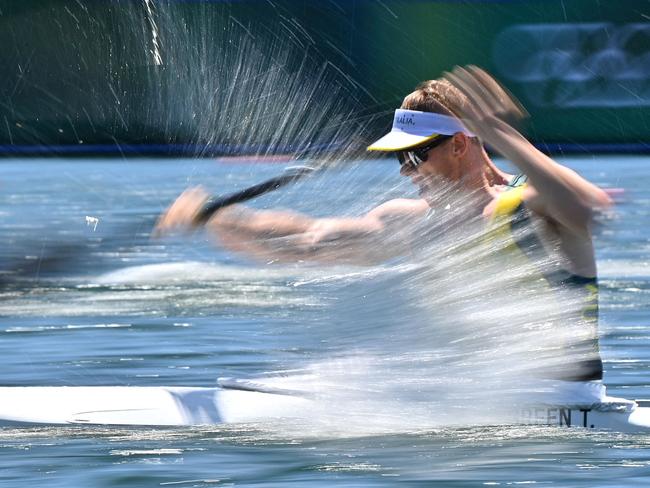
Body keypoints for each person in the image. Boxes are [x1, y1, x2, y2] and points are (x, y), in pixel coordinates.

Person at [156, 66, 617, 406]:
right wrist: (215, 218)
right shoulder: (418, 220)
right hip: (476, 394)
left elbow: (591, 208)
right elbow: (309, 240)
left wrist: (497, 130)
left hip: (564, 396)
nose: (405, 172)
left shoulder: (533, 204)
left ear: (459, 145)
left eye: (415, 158)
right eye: (398, 160)